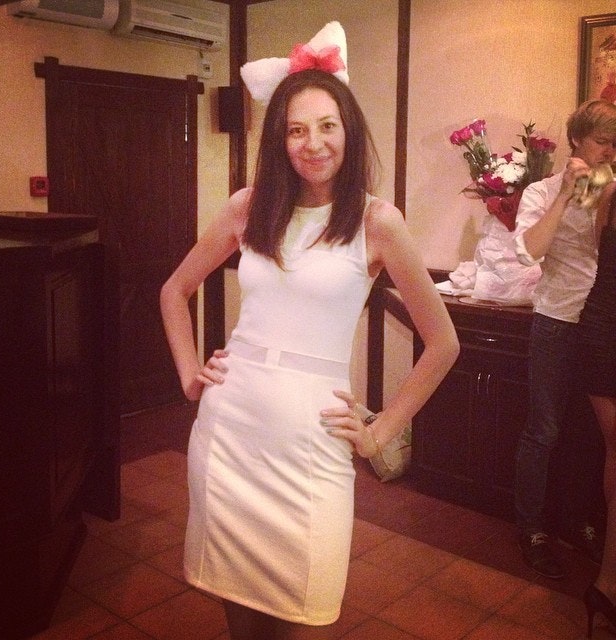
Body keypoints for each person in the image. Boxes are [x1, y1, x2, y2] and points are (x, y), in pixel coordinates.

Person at [159, 21, 459, 640]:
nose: (313, 143)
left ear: (349, 131)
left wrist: (380, 433)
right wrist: (190, 374)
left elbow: (443, 343)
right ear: (279, 138)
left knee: (309, 612)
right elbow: (174, 290)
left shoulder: (378, 222)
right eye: (296, 129)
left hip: (312, 443)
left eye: (327, 126)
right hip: (230, 432)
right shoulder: (248, 207)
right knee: (239, 617)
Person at [513, 99, 616, 580]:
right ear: (577, 140)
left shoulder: (610, 190)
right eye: (602, 142)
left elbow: (604, 252)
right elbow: (529, 252)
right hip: (556, 320)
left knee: (591, 434)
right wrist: (565, 196)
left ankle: (578, 522)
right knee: (545, 429)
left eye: (615, 144)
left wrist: (603, 199)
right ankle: (531, 527)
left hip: (602, 325)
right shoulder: (541, 191)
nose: (609, 152)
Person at [579, 181, 616, 638]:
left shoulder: (609, 194)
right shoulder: (607, 193)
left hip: (599, 326)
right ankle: (607, 586)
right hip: (604, 330)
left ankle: (606, 586)